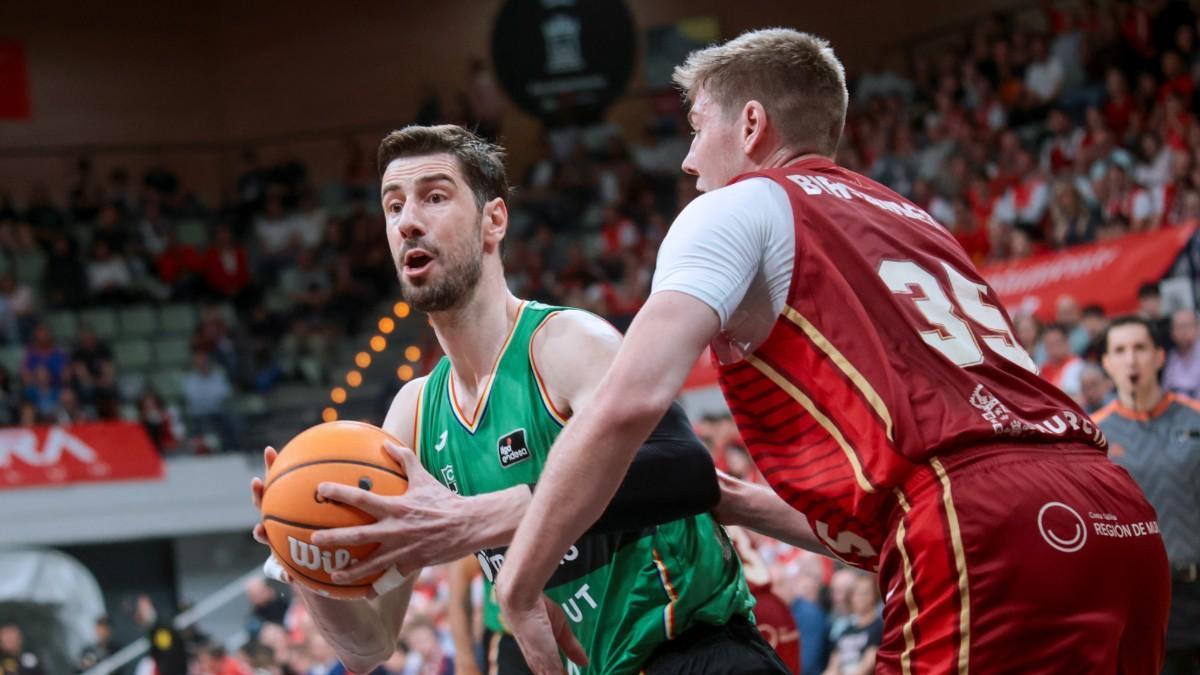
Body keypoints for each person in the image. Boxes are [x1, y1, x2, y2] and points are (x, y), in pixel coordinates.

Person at [495, 28, 1170, 674]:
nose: (689, 158)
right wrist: (736, 500)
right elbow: (899, 514)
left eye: (699, 126)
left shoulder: (735, 205)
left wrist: (519, 583)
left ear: (751, 125)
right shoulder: (913, 218)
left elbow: (626, 404)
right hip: (1112, 508)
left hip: (973, 514)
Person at [249, 125, 780, 674]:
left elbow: (682, 472)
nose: (408, 221)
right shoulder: (412, 415)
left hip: (692, 652)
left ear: (493, 221)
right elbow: (369, 646)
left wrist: (479, 517)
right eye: (393, 205)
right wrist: (303, 556)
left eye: (434, 197)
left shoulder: (566, 343)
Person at [1094, 316, 1200, 675]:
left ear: (1159, 356)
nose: (1131, 360)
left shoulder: (1195, 418)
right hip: (1148, 602)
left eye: (1140, 348)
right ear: (1107, 364)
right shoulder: (1094, 436)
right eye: (1120, 351)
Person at [1164, 309, 1200, 399]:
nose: (1183, 332)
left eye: (1187, 326)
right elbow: (1165, 390)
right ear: (1172, 332)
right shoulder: (1171, 356)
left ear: (1198, 328)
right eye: (1178, 327)